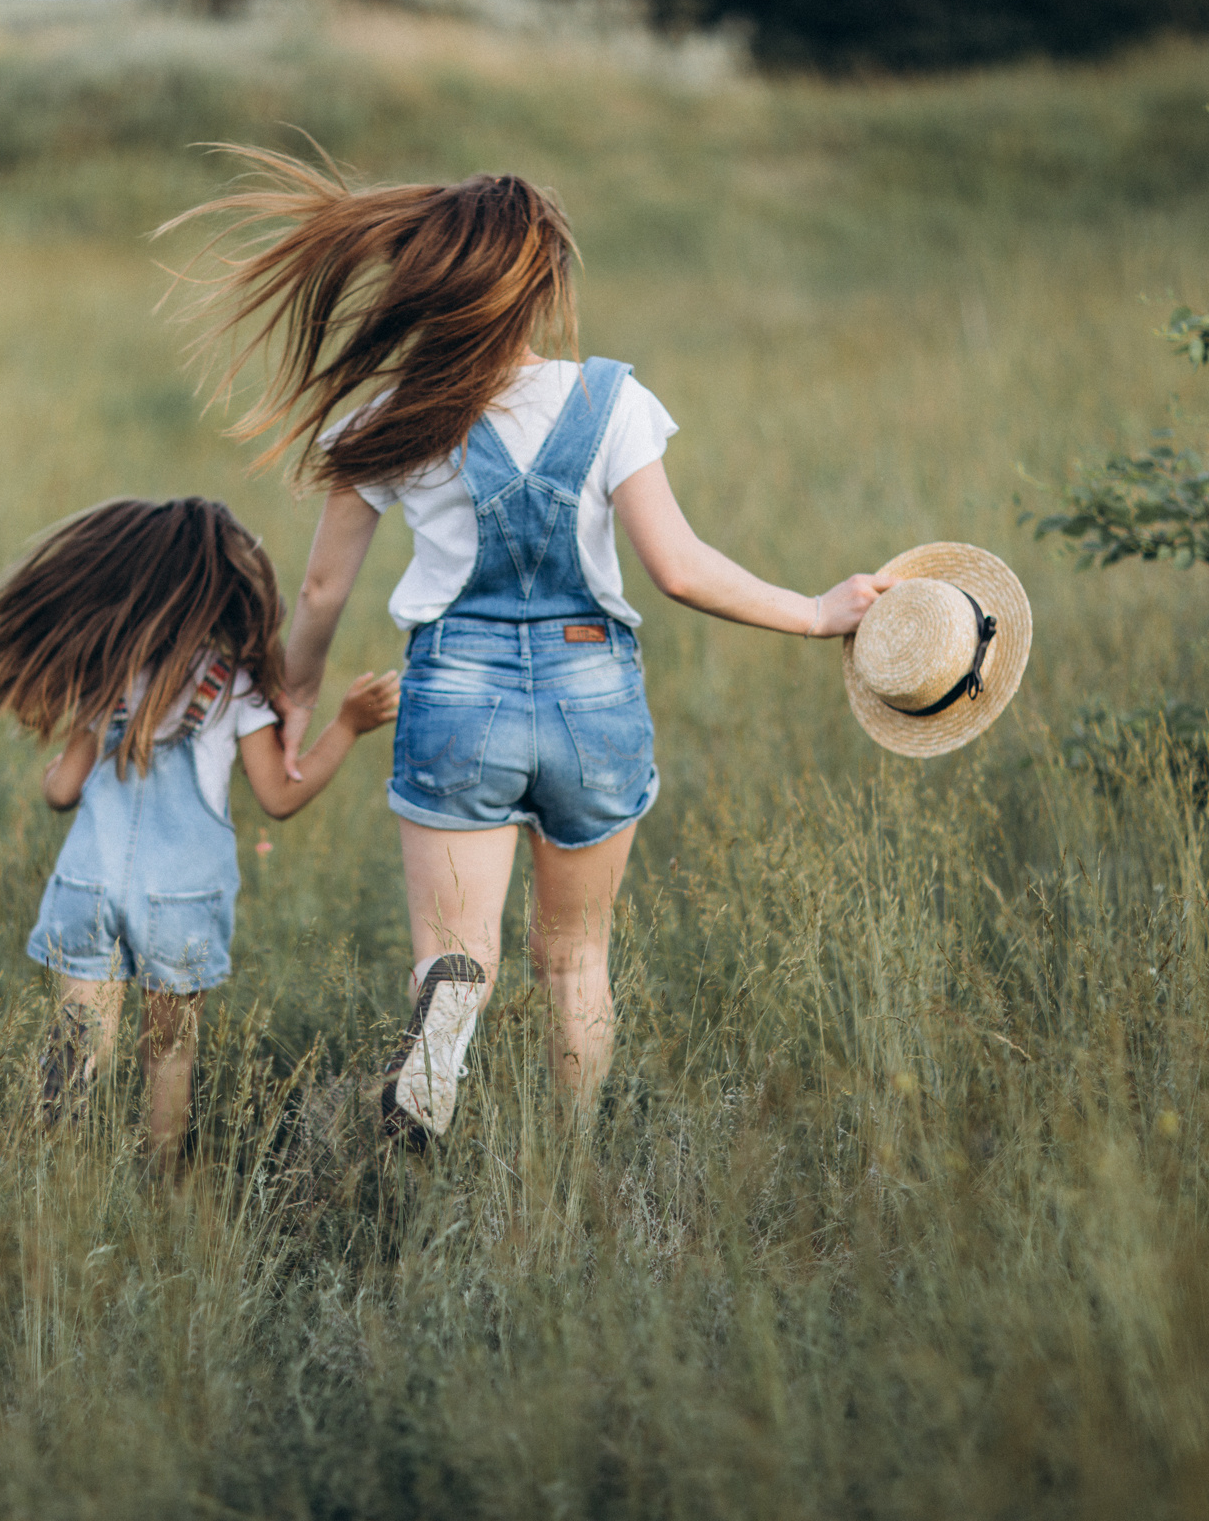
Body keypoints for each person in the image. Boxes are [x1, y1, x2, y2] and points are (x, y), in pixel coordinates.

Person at [162, 151, 886, 1142]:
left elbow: (324, 589)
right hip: (596, 700)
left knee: (455, 954)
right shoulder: (612, 401)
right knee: (575, 958)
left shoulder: (390, 416)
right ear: (541, 286)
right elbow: (679, 569)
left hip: (457, 698)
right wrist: (815, 611)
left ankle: (439, 1047)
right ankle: (569, 1167)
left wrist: (297, 692)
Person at [0, 496, 400, 1167]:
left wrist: (60, 763)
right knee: (168, 1052)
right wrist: (346, 726)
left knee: (79, 1042)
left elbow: (60, 792)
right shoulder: (235, 689)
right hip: (181, 902)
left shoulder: (109, 677)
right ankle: (162, 1183)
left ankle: (52, 1174)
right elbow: (280, 798)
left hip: (88, 885)